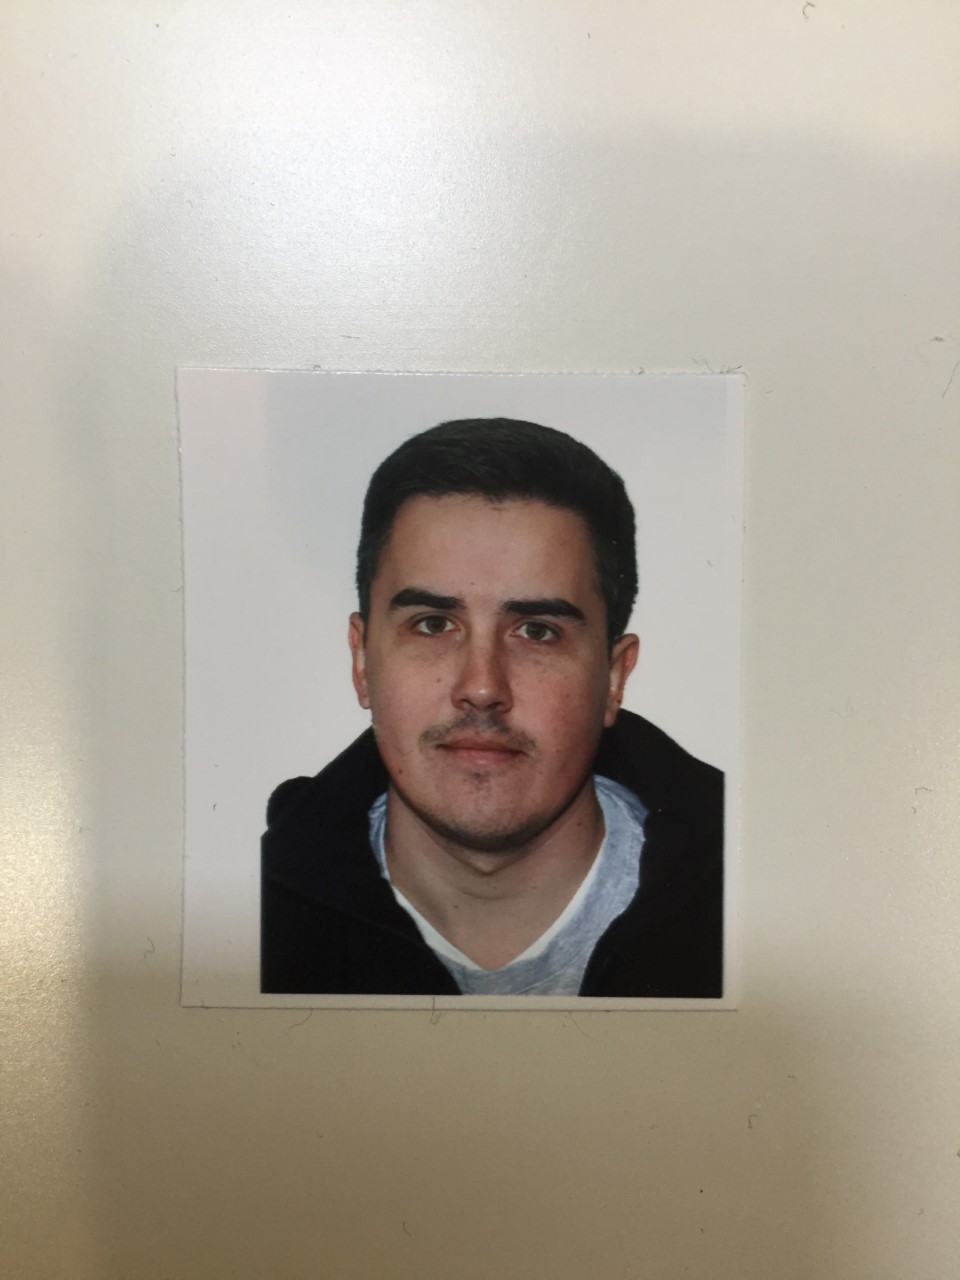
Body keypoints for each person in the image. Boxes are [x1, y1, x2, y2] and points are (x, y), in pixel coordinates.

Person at [261, 418, 723, 997]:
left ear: (613, 677)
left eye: (537, 631)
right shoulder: (246, 918)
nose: (481, 687)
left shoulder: (755, 903)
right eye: (433, 624)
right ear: (362, 662)